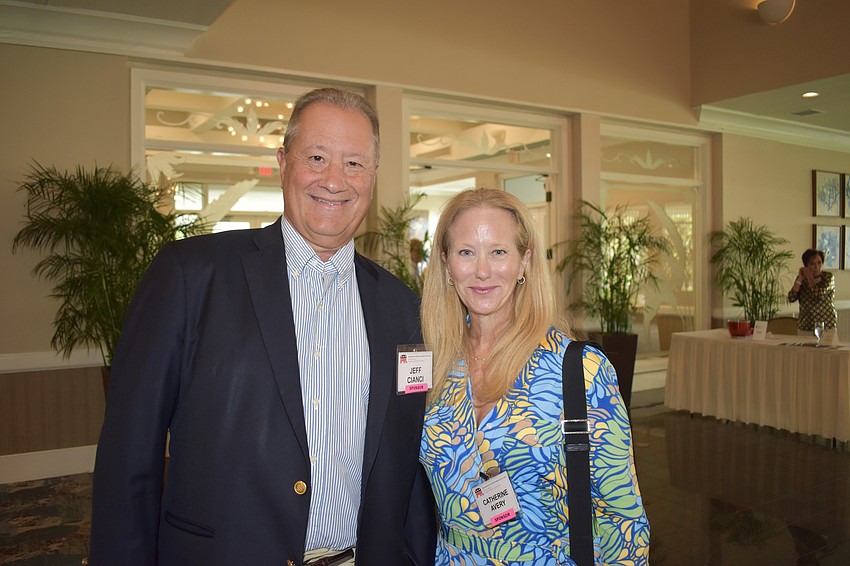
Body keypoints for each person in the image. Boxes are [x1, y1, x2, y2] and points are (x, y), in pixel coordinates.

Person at [89, 88, 436, 566]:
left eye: (354, 163)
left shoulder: (402, 308)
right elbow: (128, 458)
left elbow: (408, 462)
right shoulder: (192, 277)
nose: (335, 180)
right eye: (317, 157)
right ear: (283, 161)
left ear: (373, 177)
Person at [418, 188, 650, 565]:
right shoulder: (434, 364)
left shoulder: (578, 371)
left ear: (524, 260)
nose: (482, 270)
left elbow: (621, 516)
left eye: (498, 251)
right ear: (445, 263)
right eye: (465, 252)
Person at [788, 248, 837, 336]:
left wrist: (809, 277)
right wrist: (800, 278)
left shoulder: (828, 277)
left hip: (826, 326)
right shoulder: (802, 279)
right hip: (806, 326)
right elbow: (791, 298)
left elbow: (818, 294)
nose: (816, 267)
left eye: (819, 263)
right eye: (812, 264)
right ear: (806, 265)